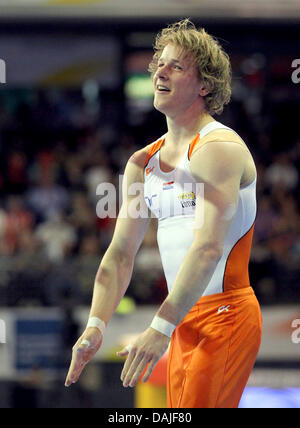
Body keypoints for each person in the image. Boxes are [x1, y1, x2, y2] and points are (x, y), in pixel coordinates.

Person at [65, 19, 262, 408]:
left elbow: (207, 249)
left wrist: (159, 326)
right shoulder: (143, 162)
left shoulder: (218, 148)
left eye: (177, 66)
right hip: (181, 319)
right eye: (160, 63)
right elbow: (120, 255)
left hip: (226, 315)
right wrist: (95, 325)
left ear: (204, 85)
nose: (160, 72)